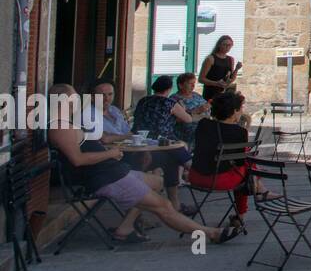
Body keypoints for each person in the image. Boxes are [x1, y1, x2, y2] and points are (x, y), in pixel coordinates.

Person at [46, 84, 239, 246]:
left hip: (113, 170)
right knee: (163, 205)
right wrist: (110, 154)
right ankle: (211, 233)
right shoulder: (60, 128)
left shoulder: (69, 123)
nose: (78, 101)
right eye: (74, 98)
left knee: (157, 182)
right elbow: (77, 160)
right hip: (105, 178)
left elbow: (101, 138)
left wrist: (114, 147)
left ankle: (126, 226)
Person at [189, 92, 264, 232]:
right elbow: (240, 161)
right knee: (247, 168)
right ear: (234, 111)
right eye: (240, 108)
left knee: (246, 164)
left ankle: (259, 189)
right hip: (217, 180)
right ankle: (244, 211)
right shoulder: (239, 132)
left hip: (195, 176)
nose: (242, 111)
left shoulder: (203, 124)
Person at [130, 75, 197, 212]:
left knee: (172, 159)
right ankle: (196, 171)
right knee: (178, 149)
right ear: (169, 88)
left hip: (140, 141)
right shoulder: (169, 103)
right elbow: (188, 119)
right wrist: (182, 109)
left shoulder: (143, 100)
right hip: (162, 142)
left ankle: (176, 204)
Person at [172, 73, 210, 146]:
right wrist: (197, 110)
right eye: (190, 83)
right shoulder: (174, 99)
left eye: (194, 83)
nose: (193, 86)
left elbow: (206, 106)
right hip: (188, 130)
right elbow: (176, 119)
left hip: (204, 125)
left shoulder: (196, 95)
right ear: (181, 85)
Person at [198, 35, 239, 102]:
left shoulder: (230, 59)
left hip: (224, 93)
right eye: (225, 45)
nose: (227, 47)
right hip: (211, 92)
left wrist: (237, 69)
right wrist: (216, 83)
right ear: (219, 45)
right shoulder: (210, 59)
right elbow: (201, 79)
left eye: (229, 45)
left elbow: (231, 79)